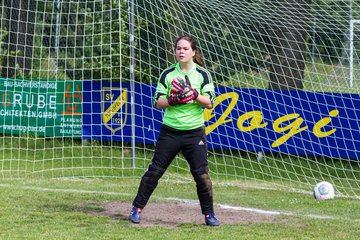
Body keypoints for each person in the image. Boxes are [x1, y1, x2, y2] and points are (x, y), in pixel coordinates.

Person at [128, 35, 220, 226]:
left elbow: (210, 103)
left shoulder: (202, 74)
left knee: (201, 175)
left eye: (185, 48)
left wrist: (194, 94)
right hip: (170, 132)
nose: (181, 51)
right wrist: (173, 99)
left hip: (194, 133)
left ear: (193, 52)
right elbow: (157, 103)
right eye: (178, 48)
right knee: (154, 171)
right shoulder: (168, 74)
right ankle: (136, 209)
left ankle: (209, 215)